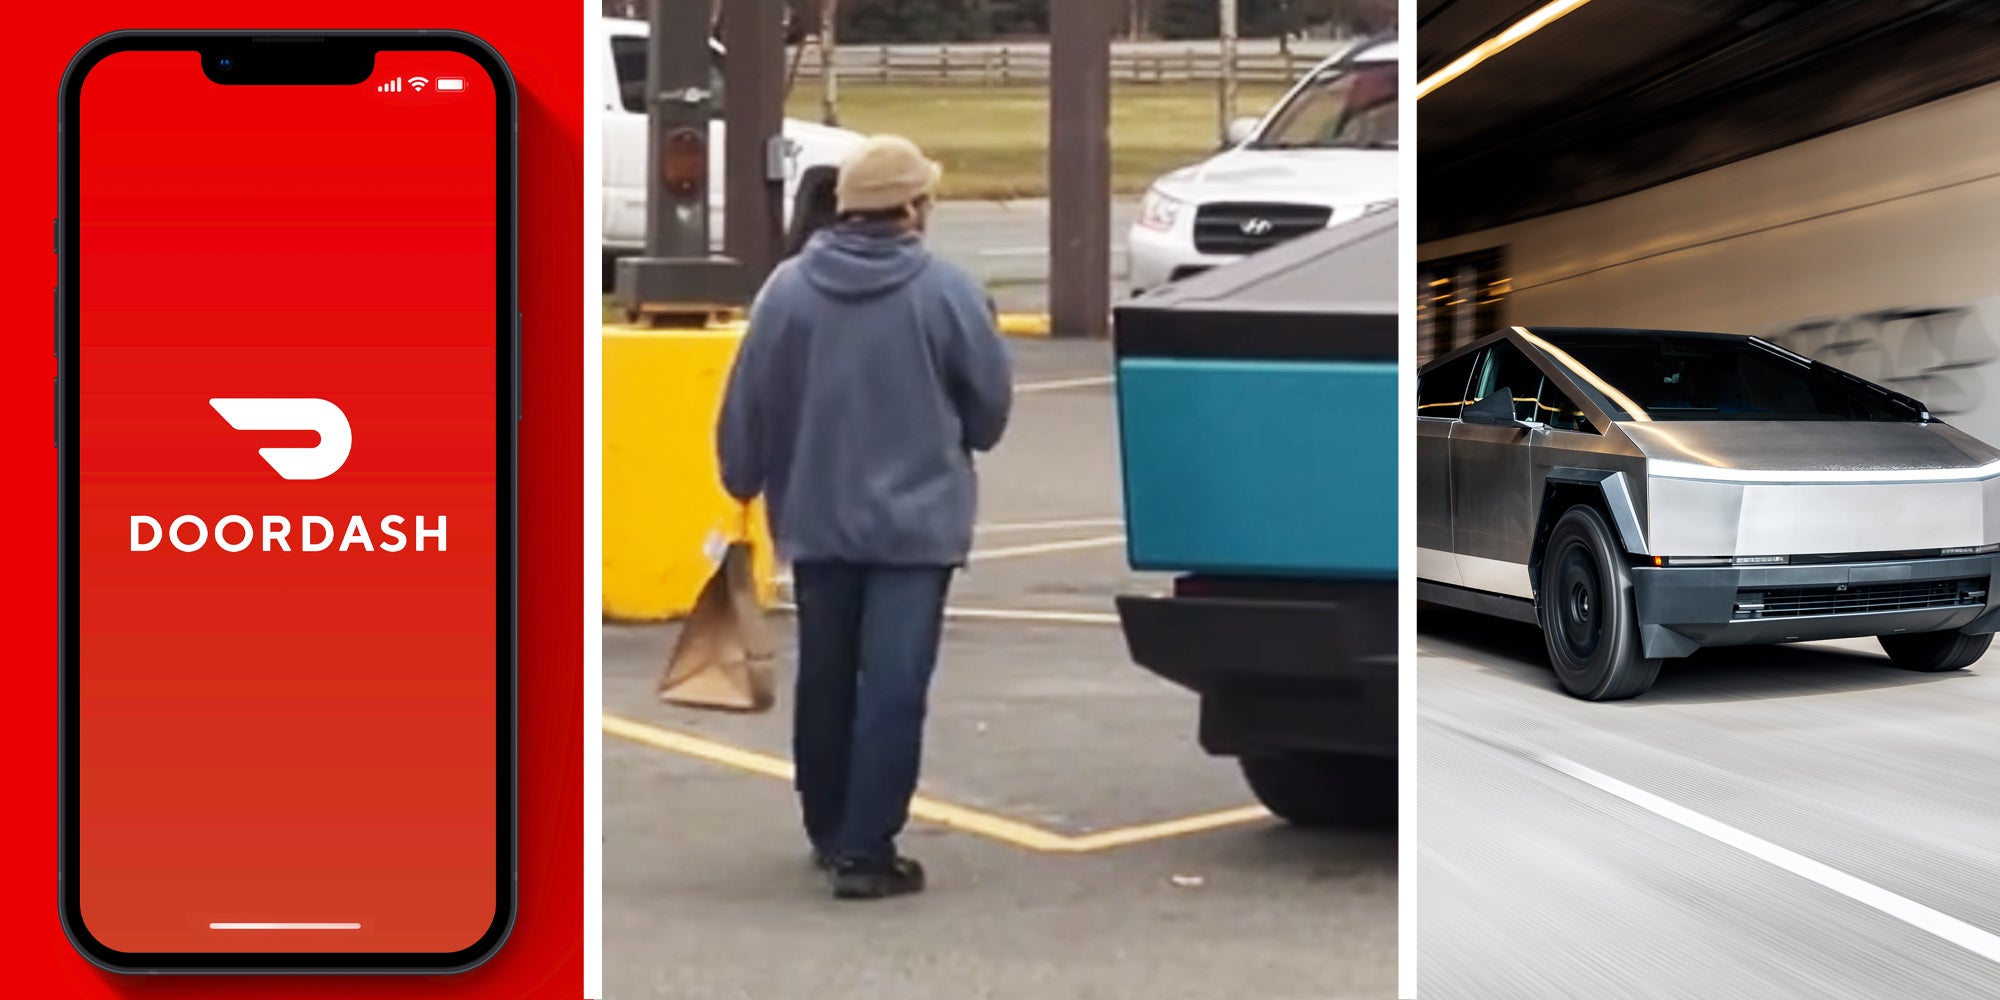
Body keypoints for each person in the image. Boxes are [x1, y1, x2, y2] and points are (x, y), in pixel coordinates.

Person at [716, 135, 1013, 899]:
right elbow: (987, 415)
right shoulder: (948, 293)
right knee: (894, 686)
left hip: (816, 517)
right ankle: (866, 846)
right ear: (912, 207)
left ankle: (827, 825)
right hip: (917, 529)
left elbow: (747, 403)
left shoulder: (786, 291)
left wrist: (742, 477)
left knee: (826, 676)